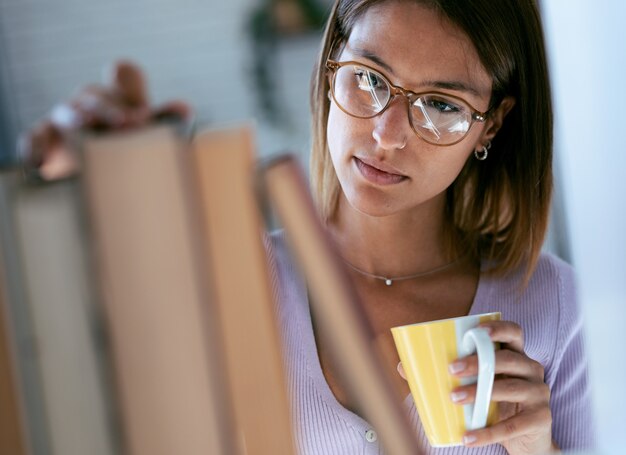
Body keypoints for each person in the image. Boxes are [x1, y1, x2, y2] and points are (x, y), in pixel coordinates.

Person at [21, 0, 595, 454]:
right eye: (369, 79)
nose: (387, 135)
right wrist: (67, 194)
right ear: (328, 74)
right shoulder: (225, 276)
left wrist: (539, 451)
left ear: (490, 124)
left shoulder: (556, 307)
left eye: (442, 105)